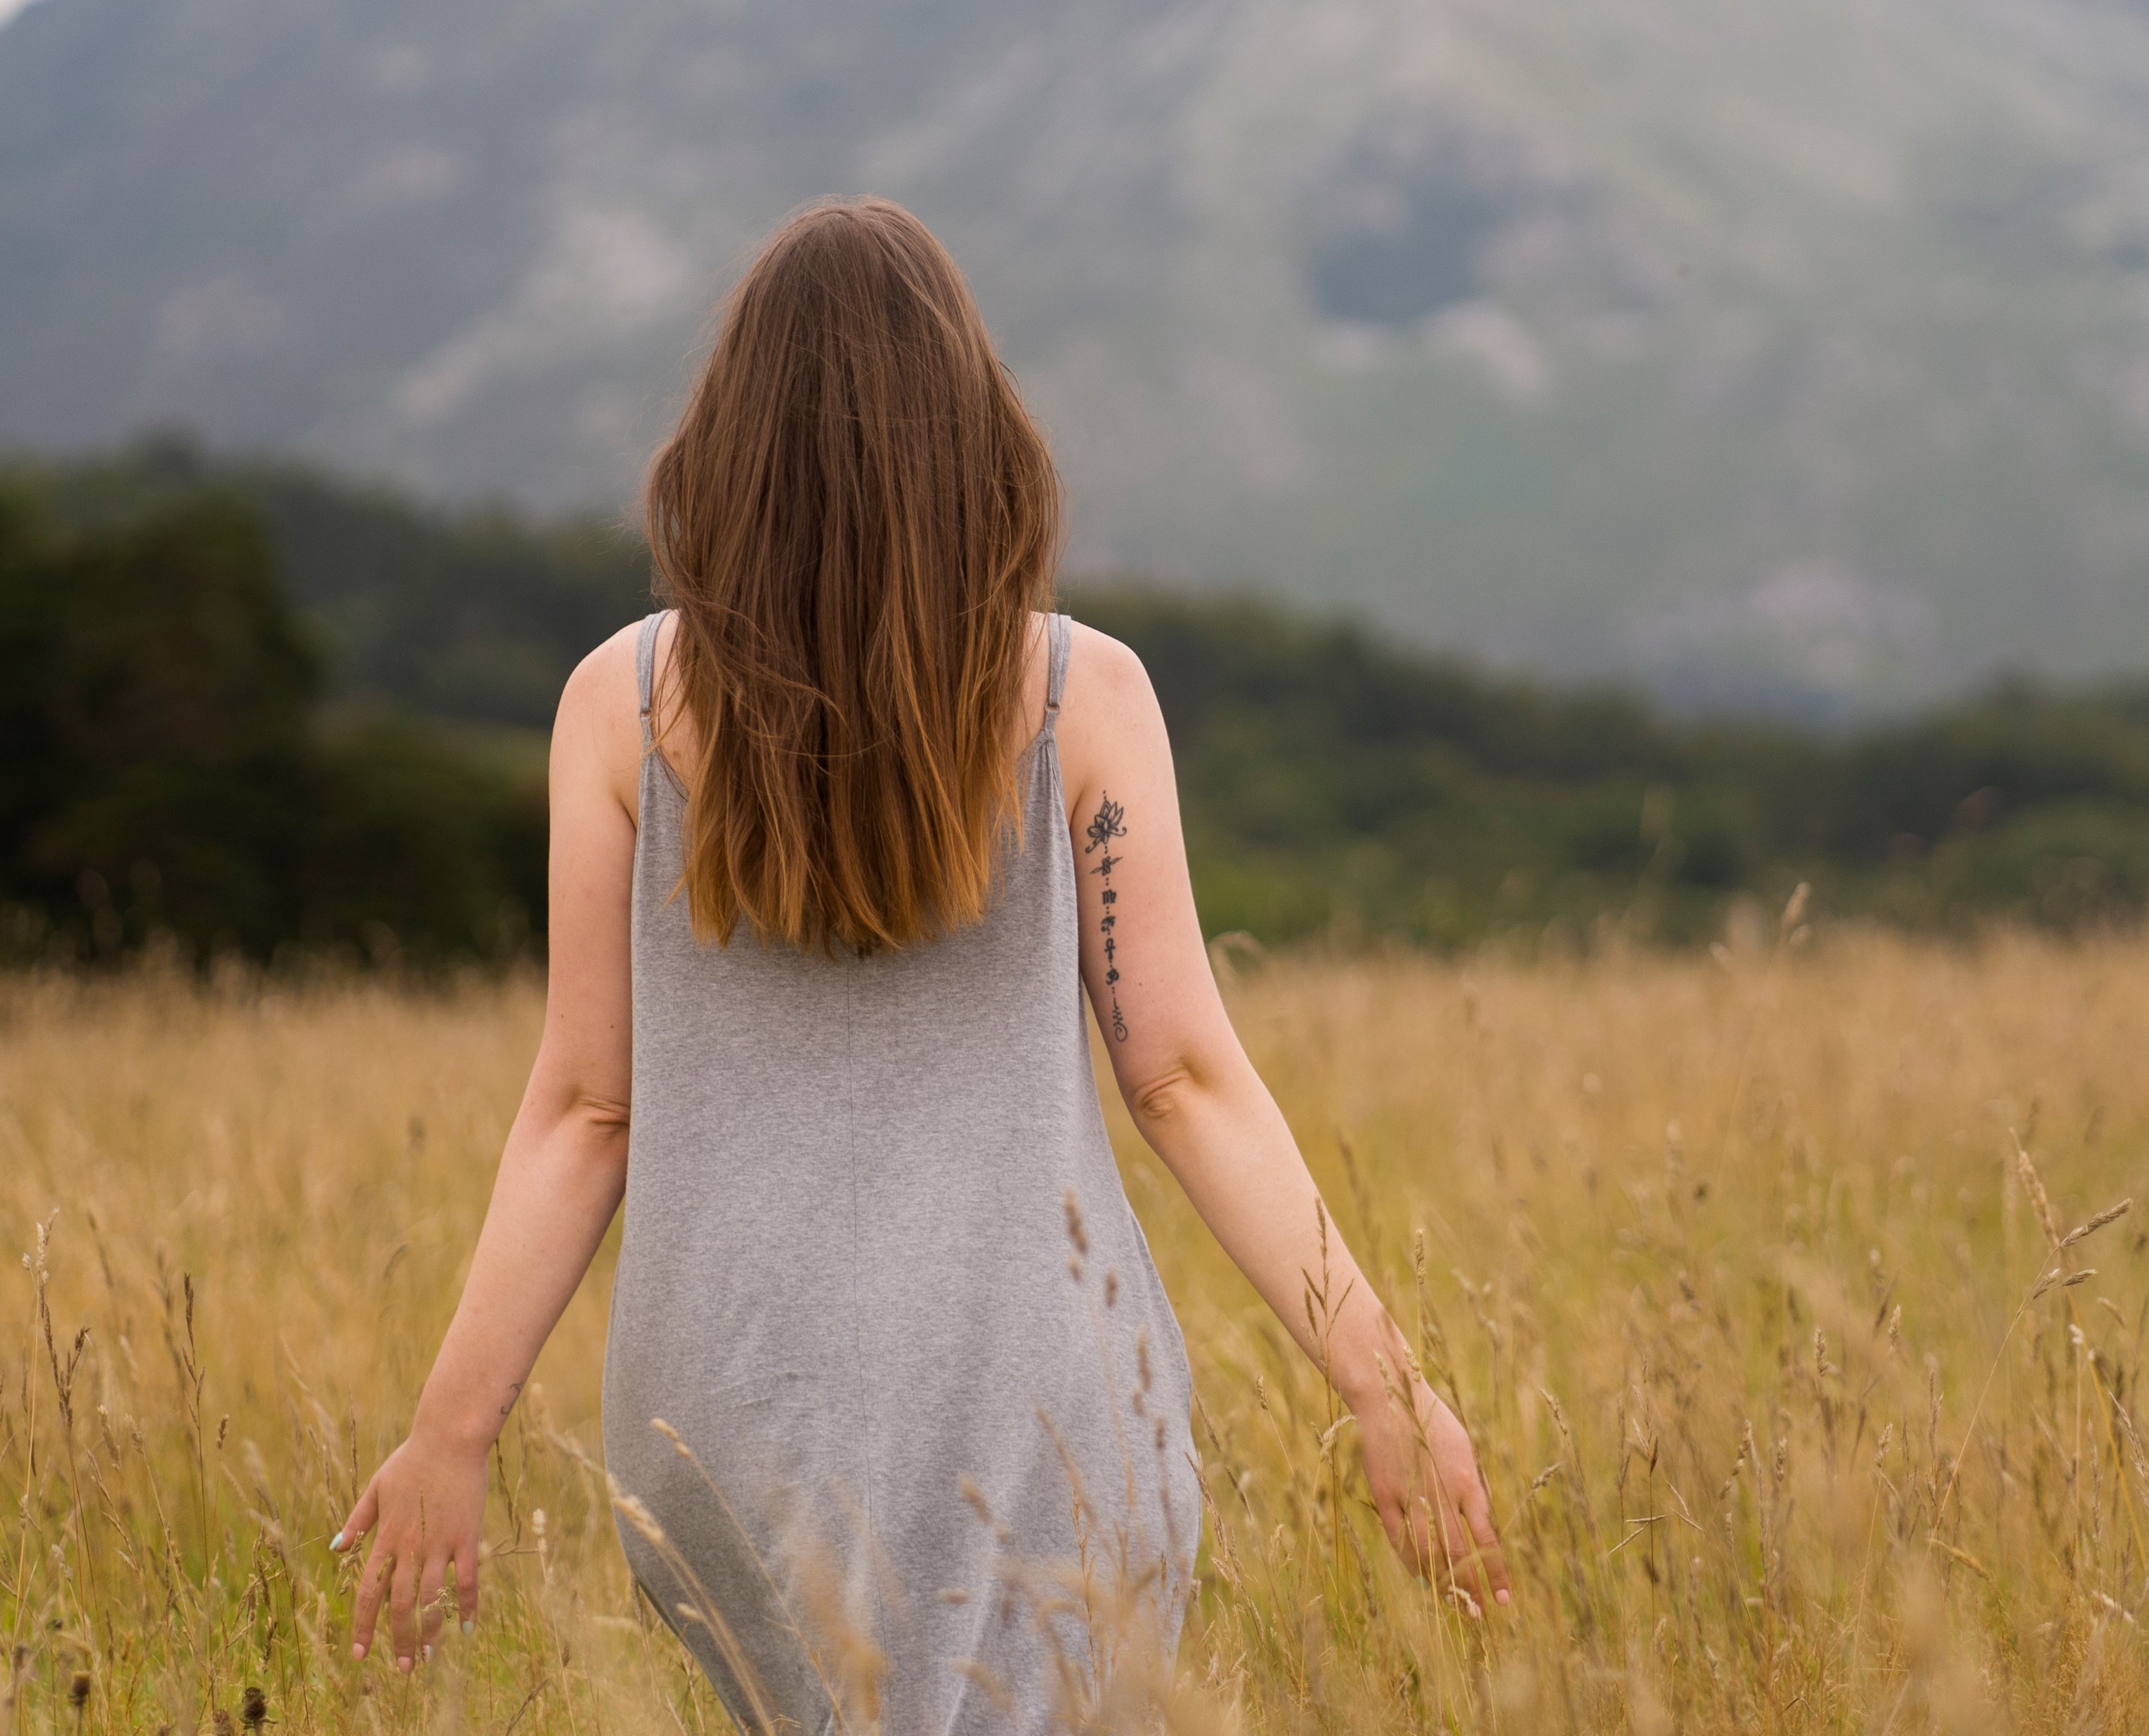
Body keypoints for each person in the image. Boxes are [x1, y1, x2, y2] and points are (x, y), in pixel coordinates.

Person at [335, 196, 1509, 1732]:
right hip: (1037, 1411)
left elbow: (582, 1112)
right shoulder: (1082, 694)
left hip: (720, 1417)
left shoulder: (617, 705)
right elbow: (1180, 1076)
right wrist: (1383, 1385)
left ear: (727, 445)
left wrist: (451, 1435)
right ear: (977, 435)